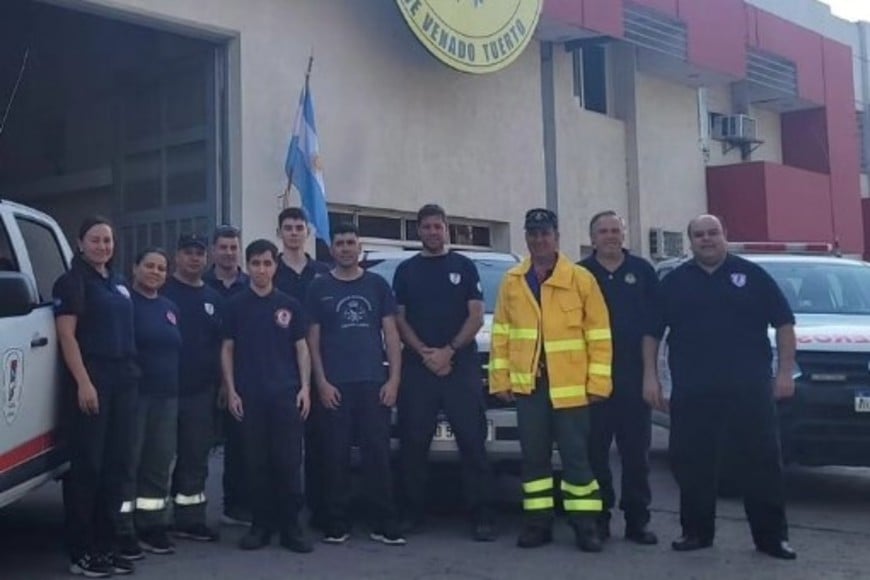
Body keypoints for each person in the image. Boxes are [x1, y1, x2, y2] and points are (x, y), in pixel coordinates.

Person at [642, 214, 797, 560]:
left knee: (762, 463)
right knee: (692, 463)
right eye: (699, 235)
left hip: (750, 388)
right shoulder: (675, 281)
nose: (707, 239)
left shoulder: (752, 276)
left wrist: (785, 373)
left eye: (713, 233)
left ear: (725, 234)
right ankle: (696, 532)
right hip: (694, 389)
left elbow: (785, 323)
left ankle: (772, 538)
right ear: (690, 241)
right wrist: (650, 377)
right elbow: (651, 332)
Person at [489, 208, 612, 552]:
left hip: (572, 387)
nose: (539, 239)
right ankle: (537, 523)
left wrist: (598, 383)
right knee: (534, 459)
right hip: (530, 387)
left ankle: (585, 525)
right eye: (533, 234)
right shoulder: (513, 280)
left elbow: (600, 335)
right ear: (526, 238)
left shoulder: (580, 279)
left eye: (545, 233)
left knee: (576, 459)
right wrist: (500, 379)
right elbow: (501, 333)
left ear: (556, 237)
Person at [392, 203, 496, 541]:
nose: (433, 232)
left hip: (460, 365)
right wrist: (424, 352)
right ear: (418, 230)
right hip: (418, 367)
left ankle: (481, 514)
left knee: (472, 442)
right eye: (427, 227)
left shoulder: (464, 266)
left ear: (446, 229)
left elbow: (477, 315)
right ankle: (411, 512)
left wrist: (449, 350)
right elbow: (399, 319)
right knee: (413, 444)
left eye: (438, 226)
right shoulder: (406, 270)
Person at [306, 223, 405, 546]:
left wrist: (394, 380)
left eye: (351, 242)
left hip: (373, 384)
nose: (346, 248)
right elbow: (312, 340)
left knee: (377, 456)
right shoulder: (319, 287)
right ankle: (336, 522)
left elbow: (391, 334)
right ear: (332, 249)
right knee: (334, 457)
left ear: (359, 247)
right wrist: (321, 382)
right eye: (340, 243)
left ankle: (383, 522)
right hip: (335, 386)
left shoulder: (377, 285)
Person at [53, 216, 138, 577]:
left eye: (108, 240)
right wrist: (84, 382)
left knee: (117, 466)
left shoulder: (117, 282)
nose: (103, 246)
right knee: (89, 467)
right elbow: (67, 336)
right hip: (93, 378)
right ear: (79, 243)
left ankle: (107, 545)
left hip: (124, 380)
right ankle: (82, 552)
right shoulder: (71, 282)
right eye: (95, 240)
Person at [221, 239, 313, 553]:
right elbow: (227, 349)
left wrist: (305, 388)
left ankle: (291, 528)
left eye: (267, 263)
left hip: (285, 396)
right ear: (247, 266)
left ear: (275, 266)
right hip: (249, 396)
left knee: (288, 463)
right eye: (256, 263)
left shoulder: (290, 304)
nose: (262, 269)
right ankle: (261, 526)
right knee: (256, 463)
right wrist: (231, 390)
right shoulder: (235, 305)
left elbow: (302, 348)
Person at [579, 211, 658, 545]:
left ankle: (637, 520)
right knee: (594, 454)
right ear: (592, 238)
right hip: (592, 381)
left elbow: (653, 327)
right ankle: (600, 519)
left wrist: (651, 376)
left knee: (636, 455)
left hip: (634, 378)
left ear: (623, 235)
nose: (610, 236)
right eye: (603, 231)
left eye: (615, 230)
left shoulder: (643, 271)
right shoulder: (579, 274)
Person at [116, 248, 183, 557]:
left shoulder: (170, 308)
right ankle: (122, 528)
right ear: (135, 268)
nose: (155, 272)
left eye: (161, 268)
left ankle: (152, 525)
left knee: (159, 462)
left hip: (167, 396)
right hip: (135, 396)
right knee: (129, 461)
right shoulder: (125, 304)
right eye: (149, 266)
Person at [273, 207, 330, 531]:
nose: (294, 233)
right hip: (279, 368)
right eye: (288, 227)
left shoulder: (323, 272)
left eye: (299, 227)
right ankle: (284, 512)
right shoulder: (270, 269)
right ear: (279, 232)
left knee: (320, 443)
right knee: (283, 448)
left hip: (320, 365)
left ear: (307, 232)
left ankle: (320, 509)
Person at [163, 234, 223, 543]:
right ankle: (148, 522)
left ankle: (189, 520)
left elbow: (223, 346)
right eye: (188, 252)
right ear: (177, 256)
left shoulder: (214, 298)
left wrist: (222, 385)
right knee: (155, 460)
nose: (194, 258)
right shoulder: (161, 290)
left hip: (201, 392)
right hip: (161, 391)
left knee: (195, 458)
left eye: (199, 253)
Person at [203, 224, 251, 527]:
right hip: (202, 377)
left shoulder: (250, 285)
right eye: (223, 247)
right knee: (195, 447)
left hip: (240, 378)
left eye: (234, 247)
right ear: (213, 250)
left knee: (240, 445)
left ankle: (236, 507)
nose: (229, 253)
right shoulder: (201, 284)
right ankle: (187, 513)